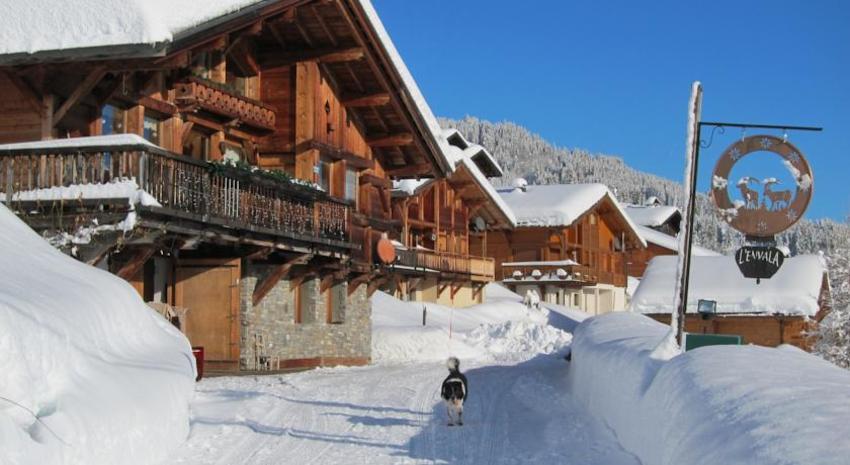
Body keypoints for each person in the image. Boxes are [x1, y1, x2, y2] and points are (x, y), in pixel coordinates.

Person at [440, 356, 468, 426]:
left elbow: (462, 396)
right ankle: (452, 419)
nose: (453, 396)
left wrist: (458, 399)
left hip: (458, 389)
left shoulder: (461, 387)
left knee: (458, 405)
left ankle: (458, 418)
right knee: (450, 405)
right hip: (450, 390)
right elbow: (444, 395)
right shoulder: (446, 388)